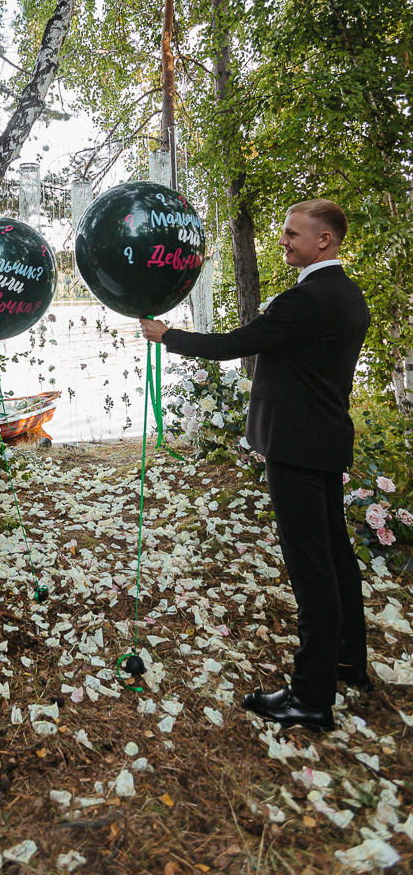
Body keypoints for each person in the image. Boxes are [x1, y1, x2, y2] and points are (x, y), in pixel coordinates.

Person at [140, 200, 370, 731]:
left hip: (296, 447)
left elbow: (236, 344)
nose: (284, 240)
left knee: (312, 571)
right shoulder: (347, 295)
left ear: (324, 241)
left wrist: (167, 336)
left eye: (294, 234)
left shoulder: (307, 300)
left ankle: (311, 699)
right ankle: (347, 662)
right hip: (324, 442)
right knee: (335, 556)